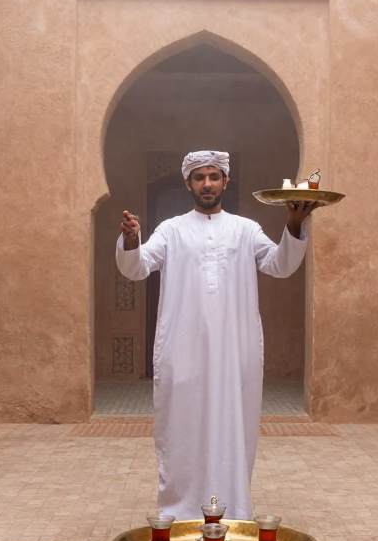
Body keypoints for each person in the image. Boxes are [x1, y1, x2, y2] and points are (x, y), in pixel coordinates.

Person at [115, 150, 317, 520]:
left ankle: (234, 509)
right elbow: (138, 267)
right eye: (199, 177)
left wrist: (292, 223)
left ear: (226, 181)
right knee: (181, 430)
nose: (206, 183)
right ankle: (179, 512)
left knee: (233, 429)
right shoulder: (171, 230)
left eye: (213, 176)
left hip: (233, 353)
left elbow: (280, 264)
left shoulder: (246, 229)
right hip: (183, 351)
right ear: (188, 183)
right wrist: (131, 239)